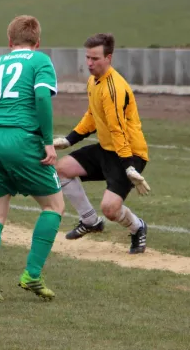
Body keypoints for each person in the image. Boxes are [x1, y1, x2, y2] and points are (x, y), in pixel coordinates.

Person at [0, 15, 65, 303]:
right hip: (22, 139)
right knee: (54, 206)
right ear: (38, 42)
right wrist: (47, 142)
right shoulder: (40, 61)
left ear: (9, 41)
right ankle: (32, 274)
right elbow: (42, 98)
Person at [53, 33, 150, 254]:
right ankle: (89, 221)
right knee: (62, 169)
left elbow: (118, 130)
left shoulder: (113, 89)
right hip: (107, 148)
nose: (89, 63)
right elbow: (92, 116)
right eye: (87, 57)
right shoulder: (93, 81)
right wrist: (69, 139)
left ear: (109, 58)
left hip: (129, 153)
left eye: (95, 58)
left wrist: (128, 167)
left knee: (110, 209)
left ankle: (138, 227)